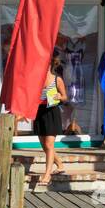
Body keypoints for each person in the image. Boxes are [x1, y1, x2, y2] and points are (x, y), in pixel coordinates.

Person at [33, 51, 69, 187]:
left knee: (49, 145)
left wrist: (60, 97)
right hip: (39, 112)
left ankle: (47, 174)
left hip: (52, 112)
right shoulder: (36, 78)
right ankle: (59, 164)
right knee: (45, 145)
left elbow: (65, 97)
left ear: (49, 64)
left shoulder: (57, 79)